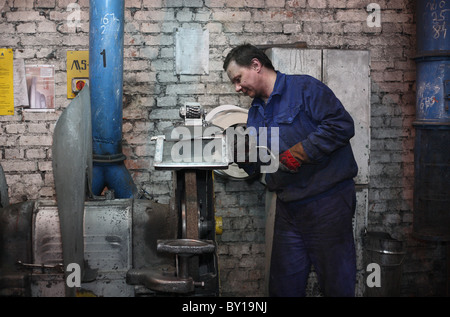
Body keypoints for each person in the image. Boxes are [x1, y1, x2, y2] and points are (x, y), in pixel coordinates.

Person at [223, 44, 358, 297]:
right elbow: (257, 167)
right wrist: (240, 156)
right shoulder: (255, 113)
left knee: (336, 284)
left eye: (238, 79)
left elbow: (341, 125)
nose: (237, 88)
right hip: (288, 208)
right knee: (283, 288)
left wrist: (298, 153)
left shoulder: (304, 88)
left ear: (256, 65)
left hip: (327, 203)